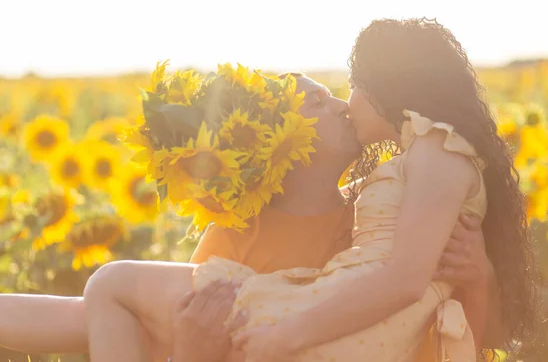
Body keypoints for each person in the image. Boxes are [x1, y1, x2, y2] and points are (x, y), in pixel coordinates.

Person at [0, 25, 511, 361]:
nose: (341, 104)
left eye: (338, 93)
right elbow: (124, 327)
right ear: (281, 146)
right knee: (98, 306)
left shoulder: (388, 208)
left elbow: (468, 341)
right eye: (317, 101)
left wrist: (481, 276)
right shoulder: (239, 235)